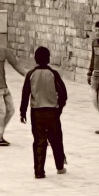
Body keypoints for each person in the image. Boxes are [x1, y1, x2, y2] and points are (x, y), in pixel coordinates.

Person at [21, 47, 69, 178]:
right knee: (56, 140)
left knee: (39, 141)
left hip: (36, 113)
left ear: (35, 59)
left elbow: (25, 94)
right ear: (48, 59)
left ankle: (39, 171)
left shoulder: (30, 75)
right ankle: (60, 167)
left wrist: (22, 111)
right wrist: (59, 109)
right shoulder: (53, 74)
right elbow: (63, 94)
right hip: (52, 113)